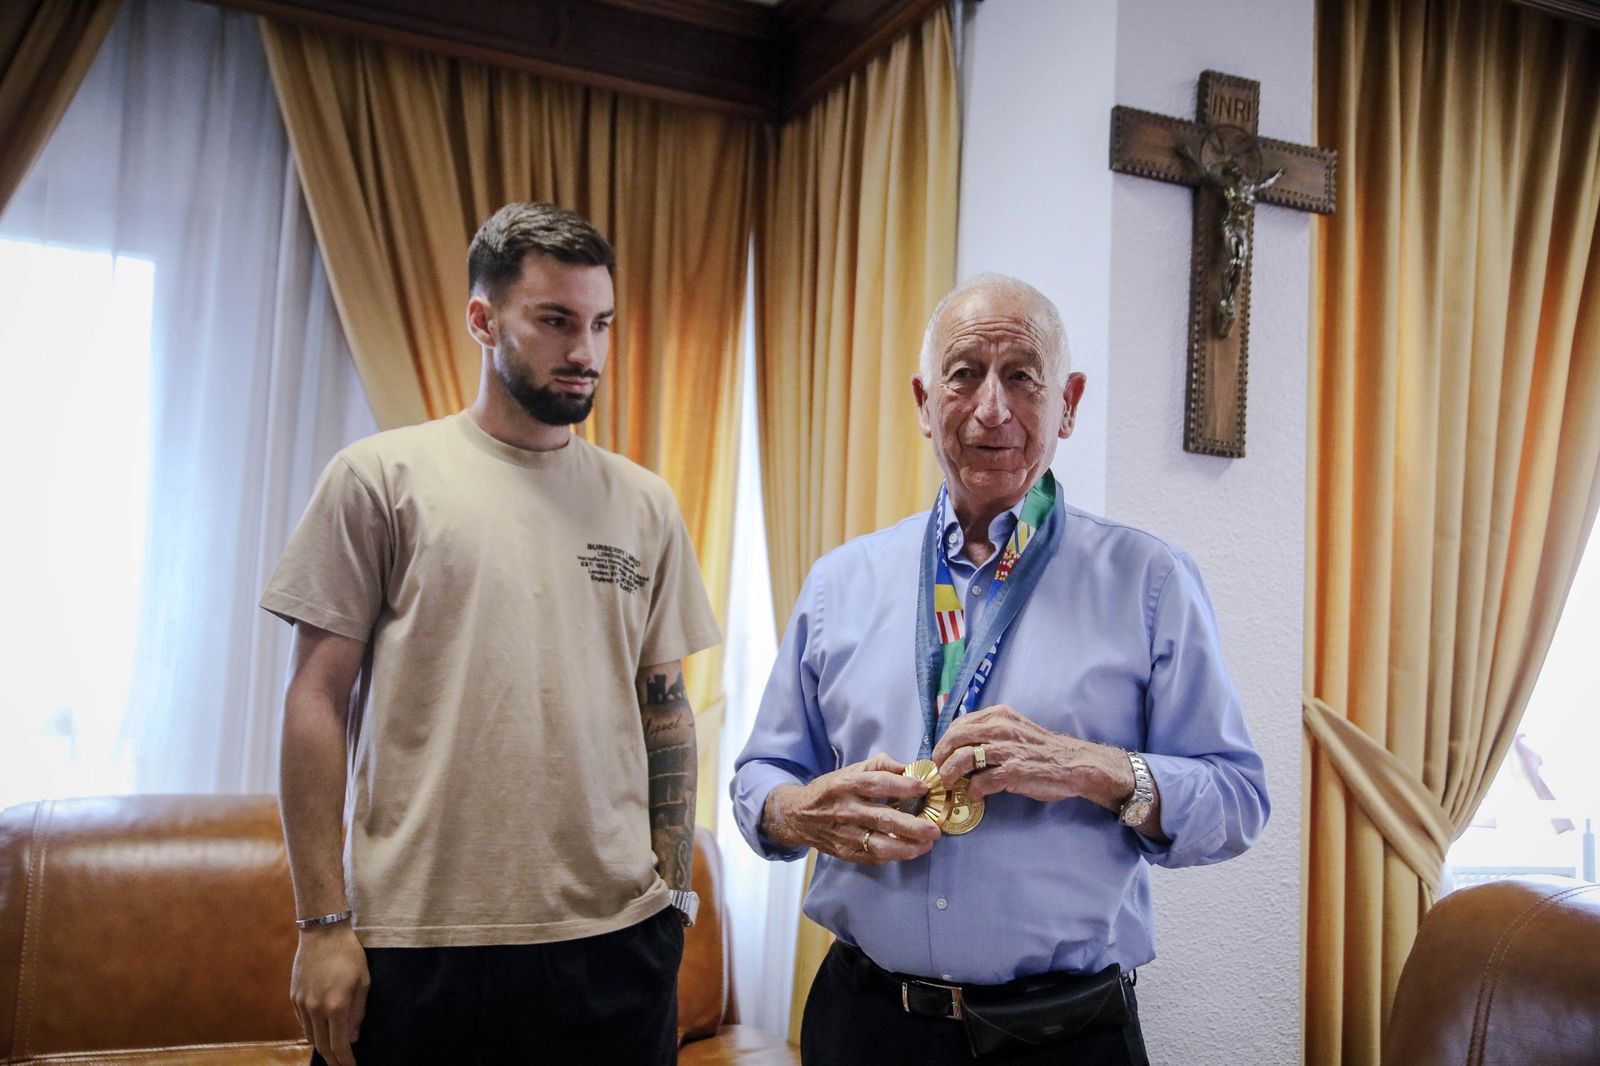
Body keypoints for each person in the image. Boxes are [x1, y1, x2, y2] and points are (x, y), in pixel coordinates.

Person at [730, 274, 1269, 1065]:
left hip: (1062, 1036)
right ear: (923, 401)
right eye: (963, 374)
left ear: (1069, 402)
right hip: (866, 1021)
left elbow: (1238, 798)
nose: (992, 408)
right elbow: (761, 771)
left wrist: (1098, 769)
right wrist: (791, 812)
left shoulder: (1150, 583)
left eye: (1021, 375)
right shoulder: (839, 583)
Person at [262, 202, 720, 1066]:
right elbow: (316, 699)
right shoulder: (380, 478)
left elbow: (667, 712)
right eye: (555, 321)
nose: (585, 352)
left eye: (601, 324)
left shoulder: (645, 503)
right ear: (483, 319)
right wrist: (323, 923)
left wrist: (671, 901)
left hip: (615, 945)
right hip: (420, 945)